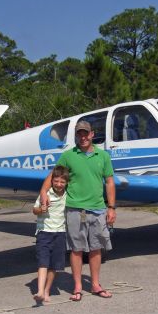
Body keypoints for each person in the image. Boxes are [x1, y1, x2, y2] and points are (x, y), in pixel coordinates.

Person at [40, 120, 116, 302]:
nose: (82, 137)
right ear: (76, 136)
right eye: (79, 134)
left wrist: (111, 207)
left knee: (96, 248)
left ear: (92, 134)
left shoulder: (103, 156)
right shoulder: (68, 156)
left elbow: (110, 182)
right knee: (76, 249)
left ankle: (96, 284)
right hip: (75, 209)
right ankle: (78, 286)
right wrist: (43, 192)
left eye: (85, 133)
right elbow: (53, 176)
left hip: (98, 209)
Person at [32, 165, 69, 304]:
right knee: (43, 262)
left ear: (66, 183)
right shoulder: (45, 194)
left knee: (54, 265)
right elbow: (34, 210)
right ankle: (40, 291)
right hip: (44, 232)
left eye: (62, 182)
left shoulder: (67, 195)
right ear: (51, 181)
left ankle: (47, 290)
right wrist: (41, 210)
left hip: (60, 233)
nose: (59, 184)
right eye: (56, 181)